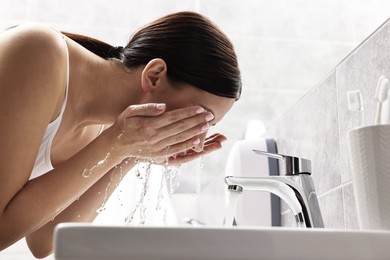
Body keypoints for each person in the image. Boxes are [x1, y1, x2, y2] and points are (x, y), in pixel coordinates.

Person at [0, 11, 241, 258]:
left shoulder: (105, 129)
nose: (198, 141)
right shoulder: (39, 50)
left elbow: (45, 240)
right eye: (200, 118)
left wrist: (131, 153)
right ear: (154, 75)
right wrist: (116, 144)